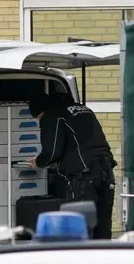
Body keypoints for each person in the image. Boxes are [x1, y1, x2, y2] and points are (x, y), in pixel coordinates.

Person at [25, 92, 116, 239]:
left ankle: (79, 259)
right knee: (103, 224)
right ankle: (101, 257)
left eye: (38, 119)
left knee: (80, 224)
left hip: (84, 176)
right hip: (106, 171)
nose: (39, 122)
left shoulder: (53, 115)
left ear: (41, 112)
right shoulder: (83, 109)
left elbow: (52, 151)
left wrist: (38, 162)